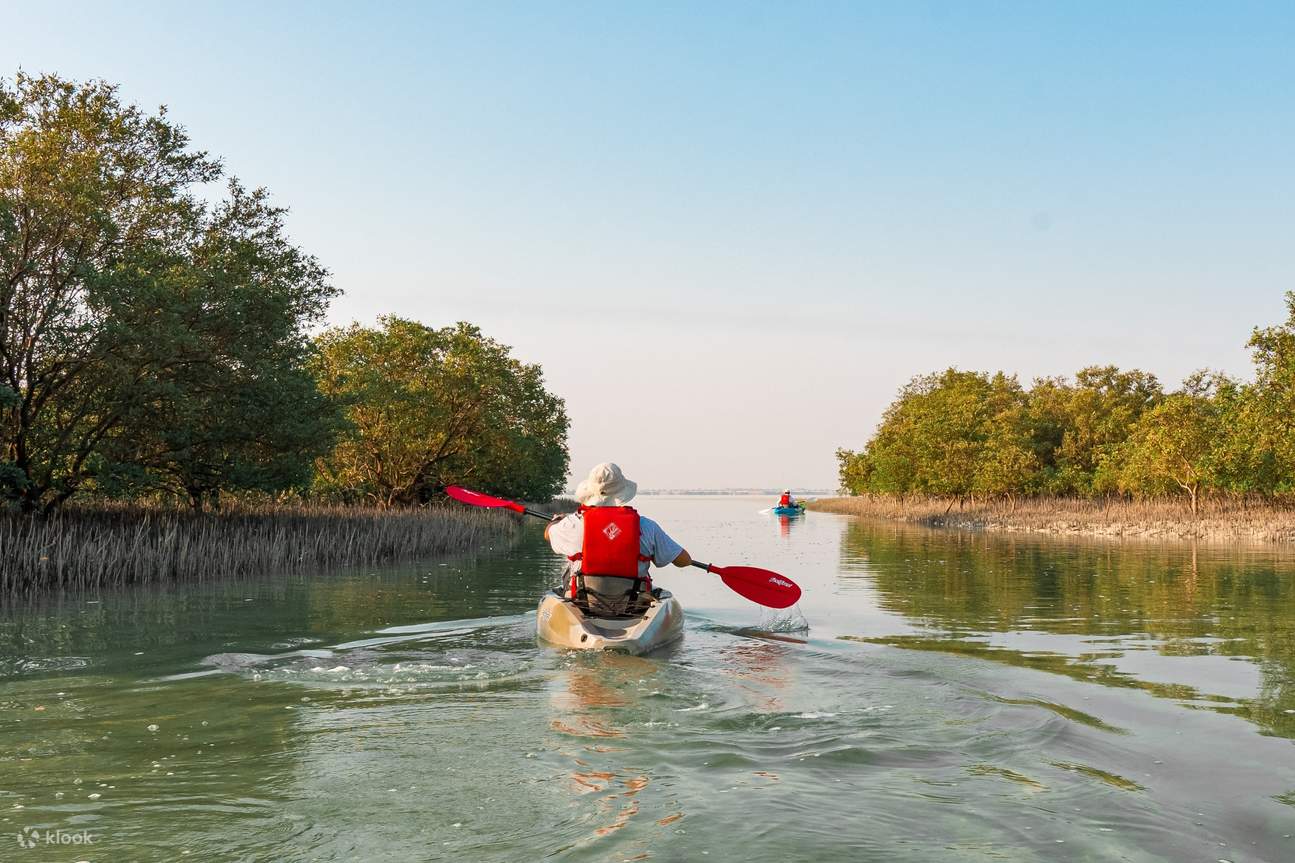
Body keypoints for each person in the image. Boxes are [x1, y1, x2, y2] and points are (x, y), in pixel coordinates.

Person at [545, 463, 691, 615]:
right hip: (633, 606)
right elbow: (684, 560)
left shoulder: (572, 524)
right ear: (621, 493)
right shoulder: (646, 526)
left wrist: (556, 521)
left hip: (585, 604)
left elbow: (548, 534)